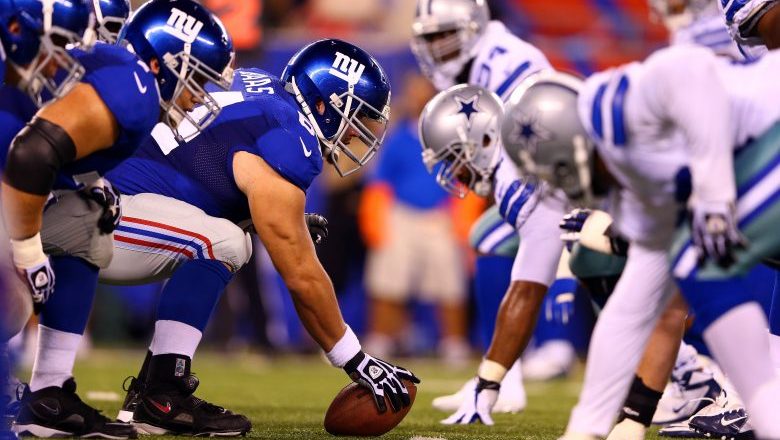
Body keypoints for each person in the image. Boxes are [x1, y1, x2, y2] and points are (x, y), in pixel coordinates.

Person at [99, 38, 420, 435]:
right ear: (323, 104)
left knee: (228, 235)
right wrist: (355, 359)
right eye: (354, 116)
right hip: (104, 214)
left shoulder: (259, 87)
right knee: (225, 242)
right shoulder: (289, 135)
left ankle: (154, 392)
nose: (355, 133)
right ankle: (161, 394)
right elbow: (301, 274)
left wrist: (265, 217)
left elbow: (206, 171)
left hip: (112, 196)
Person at [499, 43, 780, 439]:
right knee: (675, 266)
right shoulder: (632, 190)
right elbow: (630, 310)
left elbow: (693, 69)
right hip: (761, 162)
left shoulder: (615, 109)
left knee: (696, 257)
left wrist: (714, 193)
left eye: (557, 171)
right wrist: (588, 427)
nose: (561, 187)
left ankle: (768, 414)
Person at [0, 0, 235, 437]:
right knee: (12, 301)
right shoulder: (133, 88)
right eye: (197, 78)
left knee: (87, 219)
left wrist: (89, 180)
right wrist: (28, 253)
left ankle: (49, 396)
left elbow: (45, 145)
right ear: (161, 63)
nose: (198, 96)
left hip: (13, 183)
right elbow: (30, 155)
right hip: (9, 184)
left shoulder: (122, 77)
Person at [411, 0, 564, 414]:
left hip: (558, 178)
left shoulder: (506, 61)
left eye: (445, 34)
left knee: (513, 241)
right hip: (544, 178)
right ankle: (502, 374)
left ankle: (535, 359)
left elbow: (532, 133)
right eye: (430, 38)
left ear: (473, 26)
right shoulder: (476, 62)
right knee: (494, 237)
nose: (437, 47)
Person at [361, 73, 470, 363]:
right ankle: (381, 338)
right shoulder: (397, 137)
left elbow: (464, 179)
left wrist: (462, 217)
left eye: (423, 92)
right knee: (388, 279)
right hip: (401, 215)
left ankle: (454, 343)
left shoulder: (450, 137)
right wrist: (376, 218)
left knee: (450, 282)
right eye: (414, 92)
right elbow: (380, 182)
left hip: (440, 216)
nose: (418, 98)